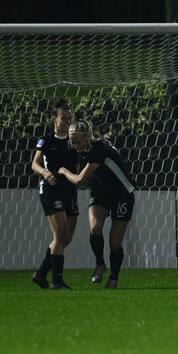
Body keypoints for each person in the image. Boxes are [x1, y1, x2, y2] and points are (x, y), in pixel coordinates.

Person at [58, 119, 136, 290]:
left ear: (87, 137)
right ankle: (100, 264)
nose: (75, 145)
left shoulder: (99, 150)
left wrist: (63, 171)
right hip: (101, 192)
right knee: (95, 227)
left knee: (115, 242)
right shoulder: (87, 147)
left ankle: (114, 278)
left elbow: (79, 181)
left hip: (123, 193)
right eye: (72, 142)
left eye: (78, 142)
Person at [31, 98, 78, 290]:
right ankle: (57, 281)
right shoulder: (46, 140)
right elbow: (34, 163)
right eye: (64, 118)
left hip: (69, 190)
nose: (67, 121)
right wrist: (44, 171)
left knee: (66, 237)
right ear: (54, 119)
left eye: (69, 118)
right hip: (51, 190)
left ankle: (41, 274)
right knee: (59, 235)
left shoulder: (74, 139)